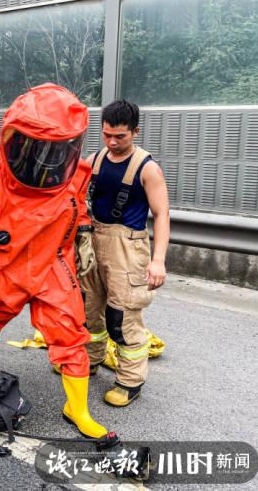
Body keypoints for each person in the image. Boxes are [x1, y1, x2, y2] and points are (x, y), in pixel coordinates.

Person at [0, 83, 111, 439]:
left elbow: (78, 208)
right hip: (5, 264)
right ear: (16, 137)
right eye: (38, 149)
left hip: (53, 262)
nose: (46, 160)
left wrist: (84, 238)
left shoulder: (76, 172)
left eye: (56, 151)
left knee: (70, 333)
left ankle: (78, 410)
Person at [80, 99, 170, 407]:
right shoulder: (94, 160)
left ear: (135, 131)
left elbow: (162, 214)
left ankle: (130, 380)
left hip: (128, 248)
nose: (113, 142)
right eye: (107, 135)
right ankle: (89, 362)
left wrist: (158, 261)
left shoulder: (148, 168)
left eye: (120, 136)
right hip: (94, 240)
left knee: (122, 316)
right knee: (88, 310)